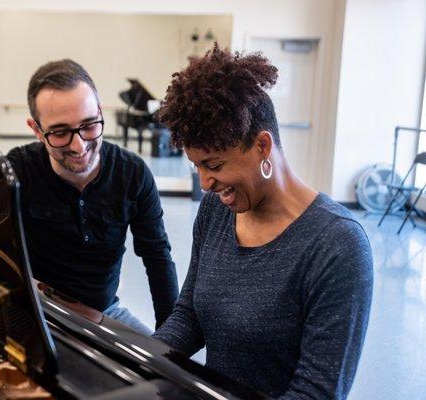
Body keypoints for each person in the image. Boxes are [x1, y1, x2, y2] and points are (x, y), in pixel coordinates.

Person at [153, 45, 373, 399]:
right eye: (196, 166)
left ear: (263, 147)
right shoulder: (216, 211)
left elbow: (317, 391)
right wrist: (141, 361)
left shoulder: (337, 245)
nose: (204, 183)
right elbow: (190, 314)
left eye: (214, 165)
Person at [7, 59, 178, 335]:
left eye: (89, 125)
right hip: (37, 307)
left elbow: (157, 257)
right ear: (37, 130)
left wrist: (171, 339)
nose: (79, 145)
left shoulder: (132, 173)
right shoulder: (17, 170)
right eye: (60, 132)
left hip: (104, 312)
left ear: (100, 112)